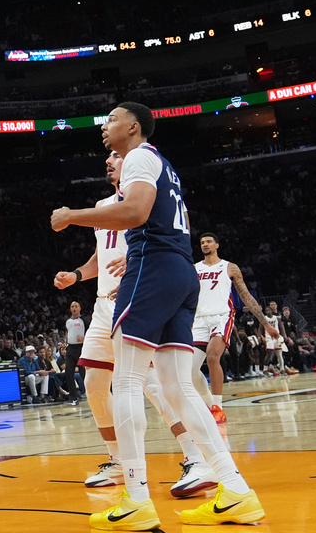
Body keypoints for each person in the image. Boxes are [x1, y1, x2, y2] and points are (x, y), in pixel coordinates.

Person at [51, 102, 264, 530]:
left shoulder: (141, 157)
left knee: (127, 380)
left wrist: (72, 216)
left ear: (133, 127)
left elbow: (135, 213)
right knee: (175, 384)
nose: (104, 127)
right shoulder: (162, 165)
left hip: (152, 267)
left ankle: (135, 496)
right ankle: (235, 487)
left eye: (111, 120)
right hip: (179, 273)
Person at [53, 151, 217, 499]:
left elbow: (162, 238)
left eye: (116, 156)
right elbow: (102, 256)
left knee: (154, 384)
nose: (109, 161)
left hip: (139, 293)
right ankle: (116, 460)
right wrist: (78, 274)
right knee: (95, 383)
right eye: (107, 159)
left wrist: (140, 259)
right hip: (102, 304)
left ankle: (194, 456)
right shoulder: (102, 205)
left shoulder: (145, 197)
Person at [192, 232, 278, 423]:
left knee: (213, 356)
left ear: (217, 245)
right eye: (202, 243)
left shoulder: (229, 267)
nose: (205, 245)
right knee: (189, 370)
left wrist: (265, 324)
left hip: (221, 317)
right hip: (199, 320)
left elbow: (246, 296)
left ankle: (218, 407)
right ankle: (208, 404)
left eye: (208, 242)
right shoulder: (194, 268)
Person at [63, 301, 86, 404]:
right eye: (72, 306)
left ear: (80, 308)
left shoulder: (84, 320)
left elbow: (91, 332)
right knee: (68, 373)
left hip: (81, 348)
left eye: (76, 306)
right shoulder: (68, 321)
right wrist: (65, 343)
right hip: (70, 348)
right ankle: (73, 397)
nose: (74, 308)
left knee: (84, 373)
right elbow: (68, 333)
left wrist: (84, 339)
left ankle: (92, 394)